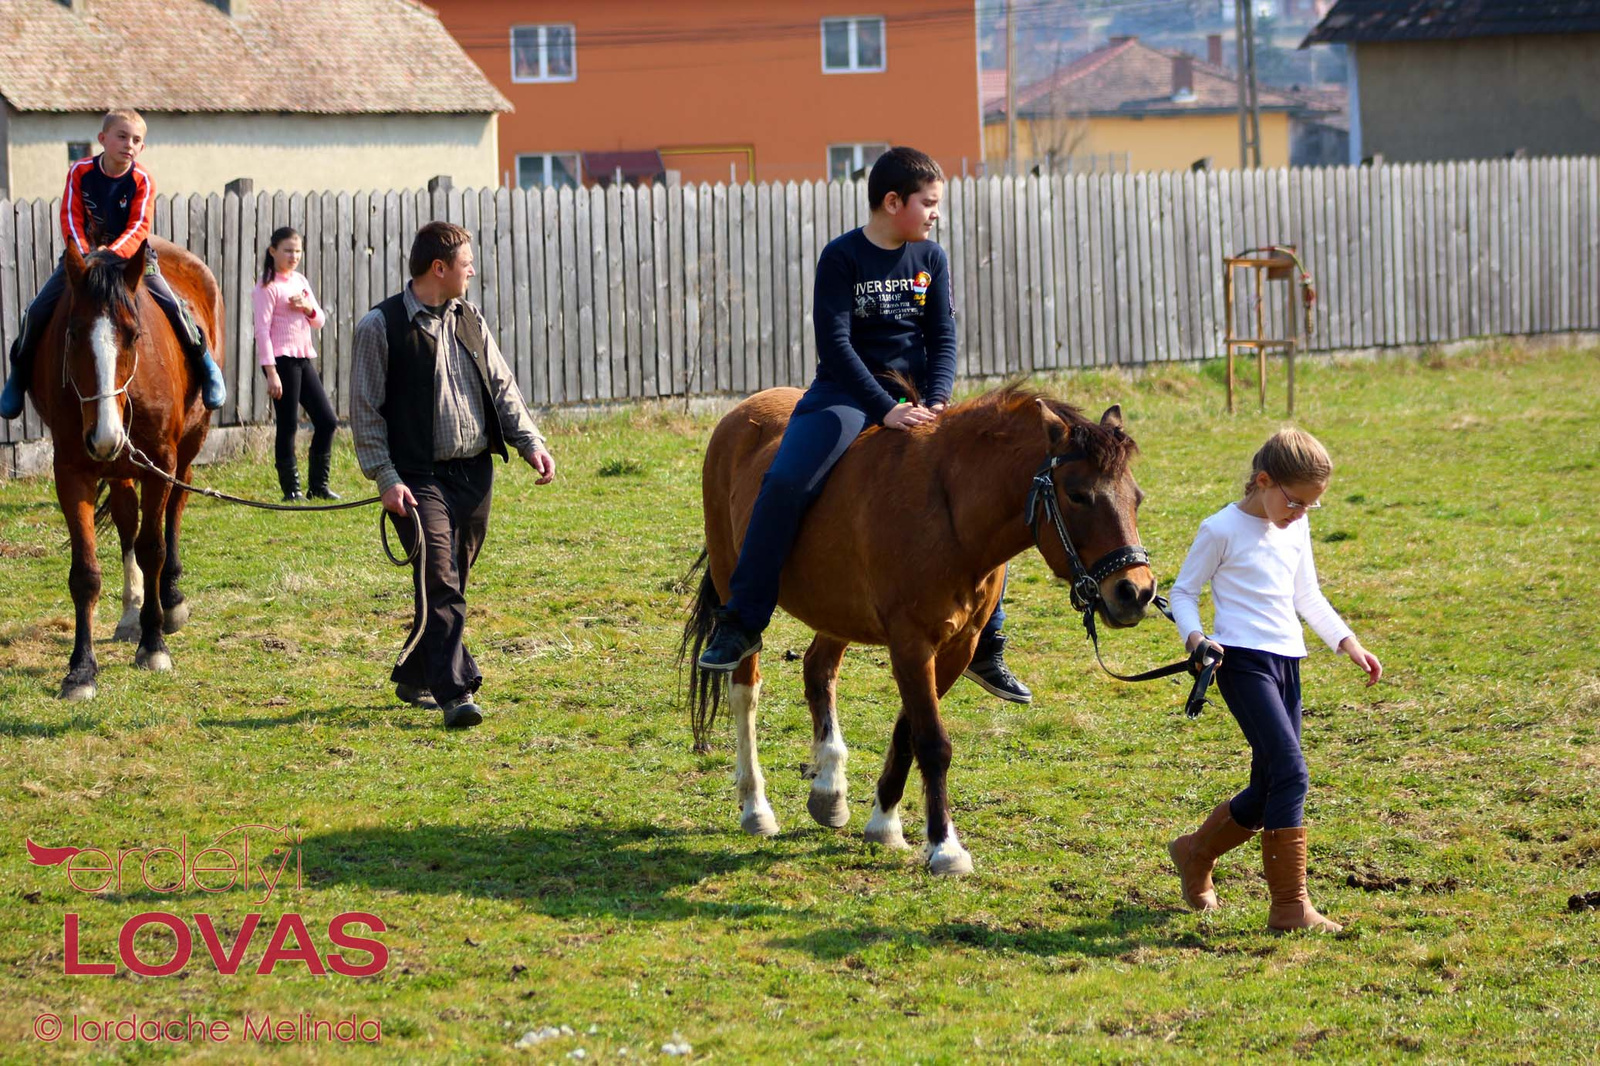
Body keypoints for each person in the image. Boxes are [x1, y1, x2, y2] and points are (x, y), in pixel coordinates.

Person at [696, 146, 1029, 703]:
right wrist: (885, 409)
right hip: (846, 394)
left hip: (924, 398)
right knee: (783, 482)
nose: (935, 214)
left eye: (937, 205)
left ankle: (987, 644)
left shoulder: (932, 258)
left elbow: (942, 338)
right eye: (929, 203)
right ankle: (742, 620)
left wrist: (939, 402)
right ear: (892, 201)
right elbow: (837, 344)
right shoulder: (842, 257)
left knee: (990, 488)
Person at [1166, 427, 1382, 933]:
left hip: (1288, 662)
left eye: (1311, 506)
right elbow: (1182, 593)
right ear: (1263, 480)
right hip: (1240, 663)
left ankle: (1195, 852)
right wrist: (1196, 639)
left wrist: (1348, 642)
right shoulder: (1220, 529)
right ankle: (1290, 908)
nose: (1301, 513)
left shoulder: (1295, 529)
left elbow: (1307, 595)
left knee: (1268, 787)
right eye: (1295, 501)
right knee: (1291, 773)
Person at [350, 221, 556, 729]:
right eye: (466, 263)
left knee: (449, 580)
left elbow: (502, 384)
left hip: (474, 474)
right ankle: (455, 692)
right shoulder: (380, 326)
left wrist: (529, 440)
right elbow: (365, 411)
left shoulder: (469, 316)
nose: (472, 271)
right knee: (441, 580)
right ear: (439, 269)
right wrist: (384, 477)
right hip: (416, 478)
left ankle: (414, 672)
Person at [0, 109, 226, 420]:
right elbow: (70, 217)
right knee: (36, 310)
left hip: (134, 263)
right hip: (86, 262)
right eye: (122, 136)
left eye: (136, 140)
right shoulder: (79, 171)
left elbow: (139, 227)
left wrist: (112, 255)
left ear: (142, 148)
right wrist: (87, 257)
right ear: (102, 139)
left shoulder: (142, 179)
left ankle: (206, 365)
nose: (129, 144)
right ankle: (18, 375)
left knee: (176, 307)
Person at [253, 227, 338, 502]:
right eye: (288, 250)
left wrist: (306, 307)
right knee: (288, 425)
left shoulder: (300, 280)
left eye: (298, 251)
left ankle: (318, 486)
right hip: (281, 362)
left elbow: (319, 320)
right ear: (273, 251)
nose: (294, 256)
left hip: (303, 358)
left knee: (327, 420)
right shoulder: (267, 287)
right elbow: (262, 331)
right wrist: (271, 373)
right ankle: (292, 490)